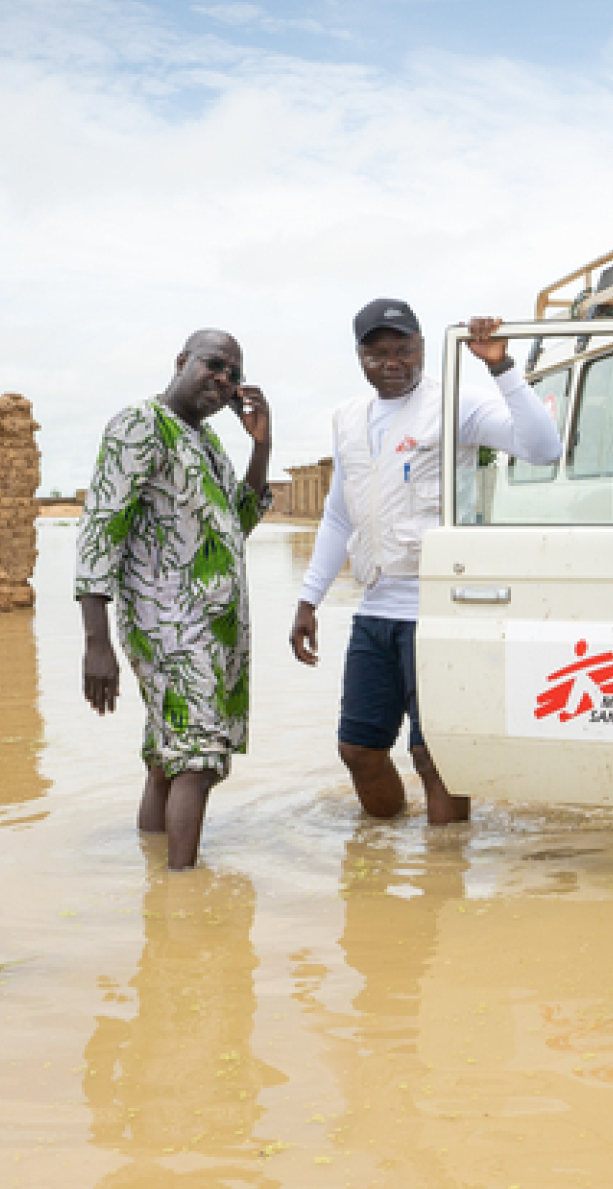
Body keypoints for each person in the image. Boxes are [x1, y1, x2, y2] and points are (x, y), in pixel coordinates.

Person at [290, 300, 560, 825]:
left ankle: (441, 882)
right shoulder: (348, 419)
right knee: (358, 751)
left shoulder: (457, 402)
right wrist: (308, 598)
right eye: (378, 353)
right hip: (375, 612)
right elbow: (339, 518)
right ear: (360, 357)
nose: (393, 362)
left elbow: (544, 448)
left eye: (404, 350)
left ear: (421, 347)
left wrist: (501, 367)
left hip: (440, 610)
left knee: (435, 756)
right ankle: (384, 853)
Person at [74, 330, 272, 870]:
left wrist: (261, 447)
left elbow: (239, 523)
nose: (224, 379)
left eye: (233, 373)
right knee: (199, 758)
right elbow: (99, 531)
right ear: (182, 362)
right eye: (214, 364)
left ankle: (155, 881)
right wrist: (97, 642)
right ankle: (186, 899)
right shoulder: (140, 426)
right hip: (168, 624)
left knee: (169, 756)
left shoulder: (206, 444)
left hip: (214, 630)